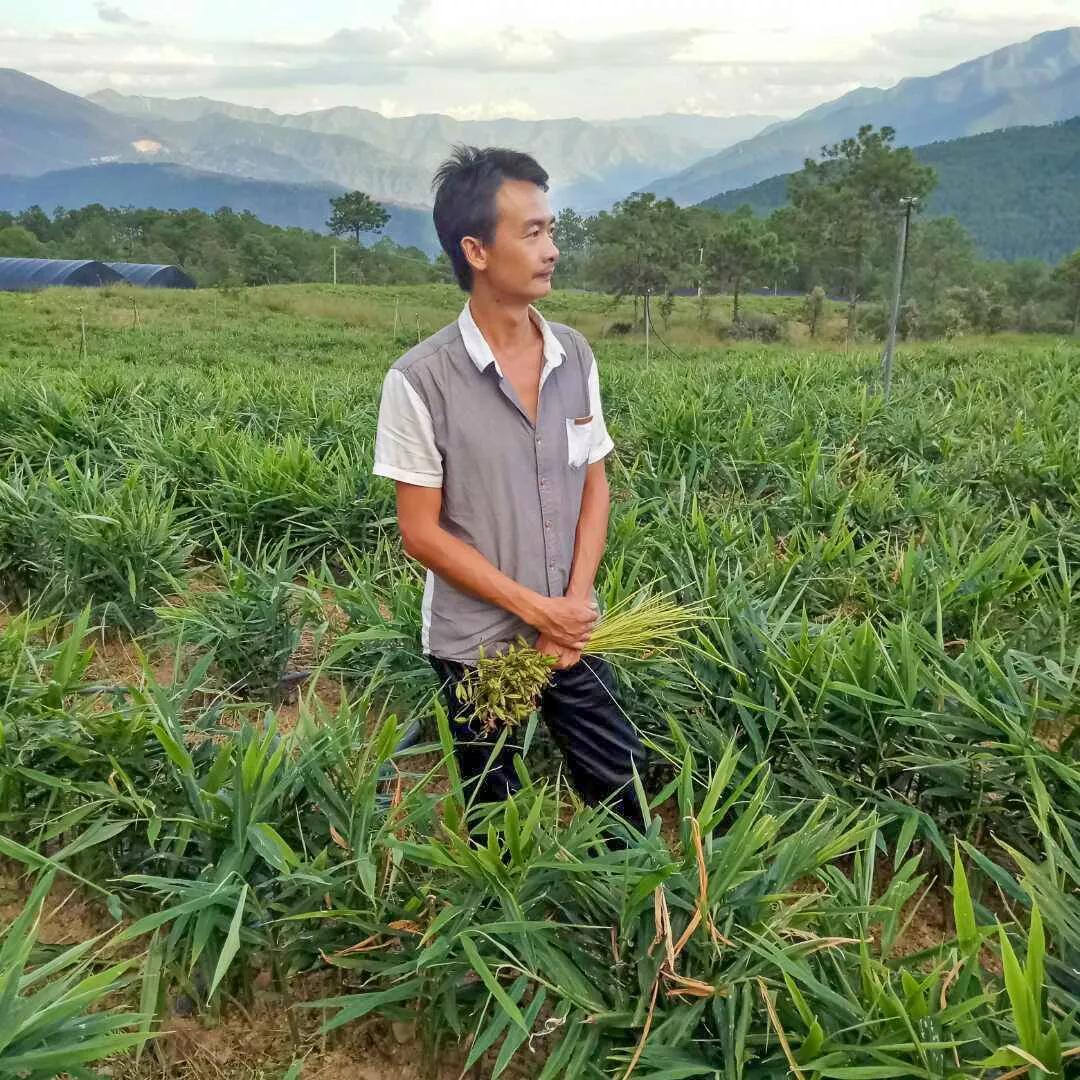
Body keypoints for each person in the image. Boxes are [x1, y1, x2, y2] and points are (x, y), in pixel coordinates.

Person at [372, 144, 645, 831]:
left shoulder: (573, 354)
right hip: (474, 646)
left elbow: (595, 483)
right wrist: (533, 608)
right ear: (477, 250)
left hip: (569, 630)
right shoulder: (418, 380)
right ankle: (503, 926)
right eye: (532, 233)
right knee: (495, 804)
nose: (551, 248)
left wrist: (573, 606)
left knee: (621, 783)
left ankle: (647, 918)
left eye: (550, 229)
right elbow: (420, 532)